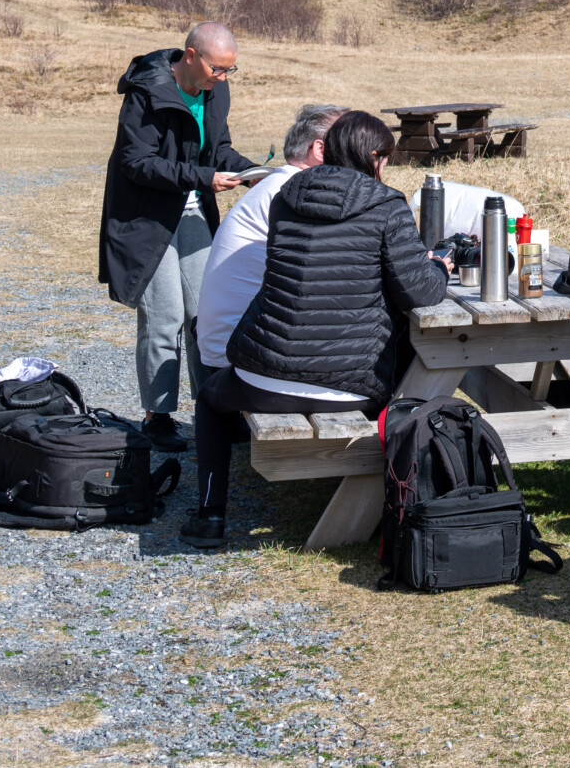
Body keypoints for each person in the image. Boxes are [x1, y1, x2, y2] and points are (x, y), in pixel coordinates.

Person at [180, 111, 450, 549]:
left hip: (260, 374)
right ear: (374, 157)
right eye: (386, 159)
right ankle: (396, 497)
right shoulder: (387, 204)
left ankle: (210, 514)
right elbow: (419, 293)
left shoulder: (285, 196)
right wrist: (438, 267)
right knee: (410, 369)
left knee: (210, 398)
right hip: (349, 385)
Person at [99, 22, 260, 453]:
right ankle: (158, 417)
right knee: (165, 316)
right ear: (191, 55)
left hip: (192, 214)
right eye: (217, 69)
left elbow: (218, 147)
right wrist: (203, 177)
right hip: (144, 220)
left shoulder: (215, 91)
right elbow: (136, 162)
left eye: (229, 70)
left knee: (207, 313)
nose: (222, 78)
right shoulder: (146, 92)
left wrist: (249, 174)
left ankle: (215, 408)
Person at [193, 104, 346, 375]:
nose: (356, 151)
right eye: (349, 141)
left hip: (235, 347)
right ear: (319, 150)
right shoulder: (295, 194)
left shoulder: (279, 185)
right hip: (241, 358)